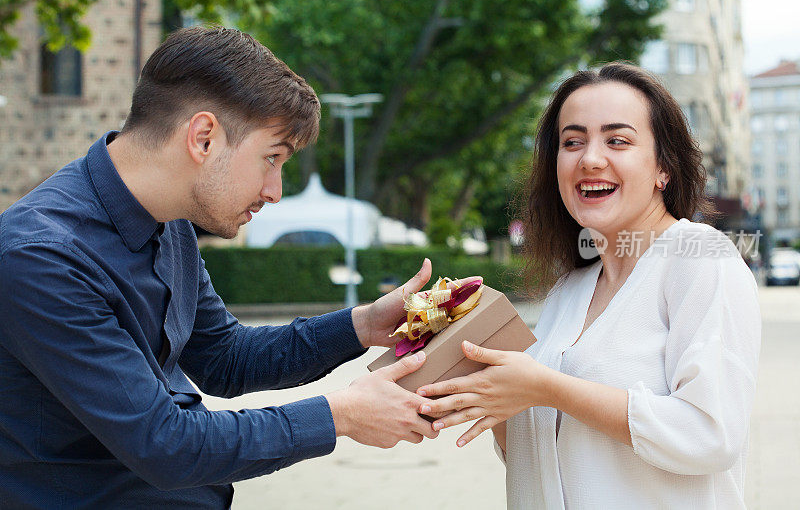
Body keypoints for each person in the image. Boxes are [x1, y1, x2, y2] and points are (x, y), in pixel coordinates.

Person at [0, 26, 441, 508]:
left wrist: (364, 325)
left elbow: (225, 359)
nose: (275, 190)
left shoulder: (170, 223)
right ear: (204, 137)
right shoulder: (42, 257)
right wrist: (340, 416)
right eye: (271, 158)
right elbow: (165, 445)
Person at [415, 63, 761, 508]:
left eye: (617, 140)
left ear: (664, 168)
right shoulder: (569, 289)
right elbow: (546, 456)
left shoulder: (700, 259)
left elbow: (711, 435)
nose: (590, 158)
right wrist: (479, 384)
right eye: (572, 142)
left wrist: (547, 387)